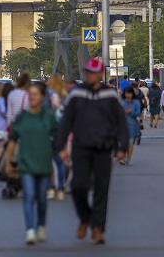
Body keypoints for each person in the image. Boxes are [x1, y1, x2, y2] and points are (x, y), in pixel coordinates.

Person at [55, 58, 129, 245]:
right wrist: (60, 146)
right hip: (81, 147)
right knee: (78, 186)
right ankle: (85, 218)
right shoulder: (76, 94)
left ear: (100, 73)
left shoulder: (110, 95)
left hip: (104, 148)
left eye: (94, 72)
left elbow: (121, 122)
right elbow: (66, 122)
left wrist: (123, 147)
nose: (90, 74)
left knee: (101, 189)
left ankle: (98, 228)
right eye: (87, 71)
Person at [5, 82, 58, 245]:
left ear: (42, 97)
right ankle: (30, 230)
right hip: (25, 164)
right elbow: (13, 141)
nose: (32, 97)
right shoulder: (22, 116)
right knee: (28, 195)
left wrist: (55, 166)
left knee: (41, 198)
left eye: (36, 94)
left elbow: (56, 141)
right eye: (30, 94)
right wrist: (8, 163)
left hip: (43, 163)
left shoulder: (49, 116)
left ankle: (41, 226)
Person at [46, 74, 67, 200]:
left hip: (48, 130)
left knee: (48, 161)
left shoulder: (47, 94)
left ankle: (50, 187)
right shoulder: (65, 95)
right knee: (60, 161)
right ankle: (61, 188)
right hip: (62, 130)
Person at [120, 86, 142, 166]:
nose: (128, 95)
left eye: (129, 93)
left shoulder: (136, 102)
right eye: (126, 93)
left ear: (132, 93)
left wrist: (130, 111)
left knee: (130, 144)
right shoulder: (123, 102)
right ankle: (123, 158)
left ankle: (128, 159)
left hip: (132, 125)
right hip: (122, 125)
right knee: (123, 143)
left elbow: (138, 113)